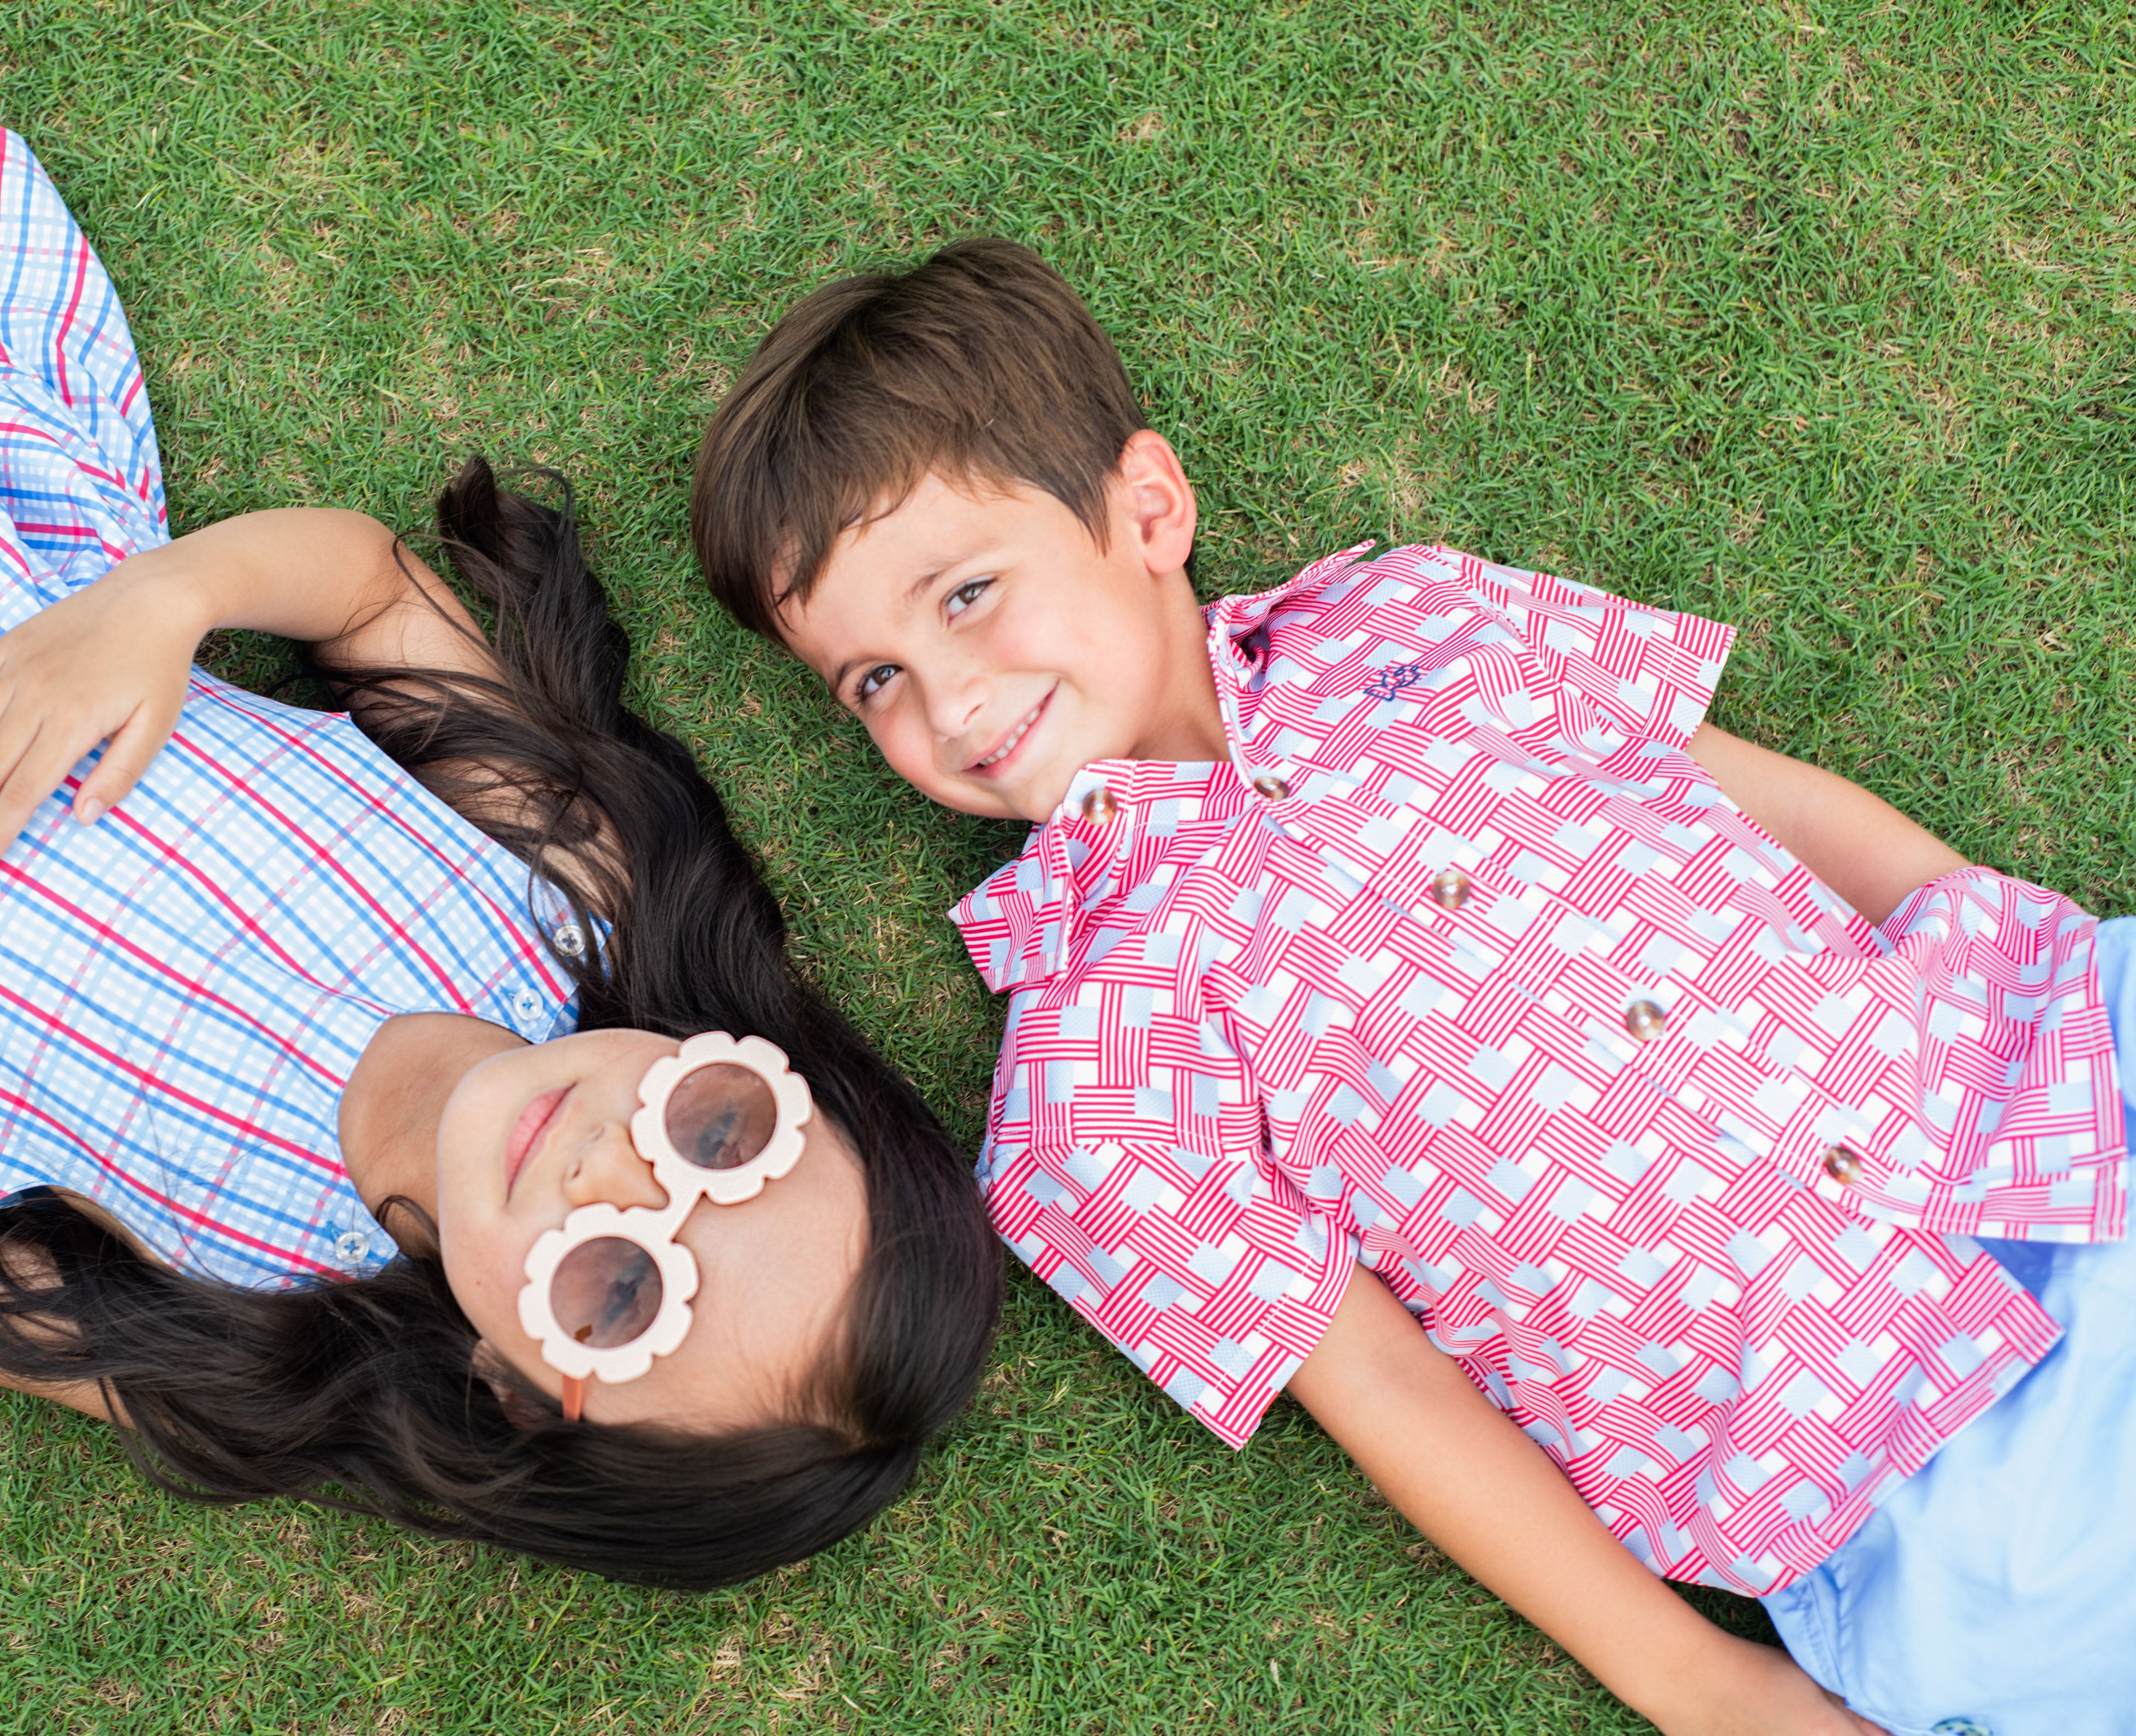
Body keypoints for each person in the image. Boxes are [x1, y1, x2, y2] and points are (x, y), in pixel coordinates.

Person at [0, 117, 1000, 1593]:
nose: (617, 1168)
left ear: (513, 1389)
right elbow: (365, 589)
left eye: (617, 1286)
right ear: (743, 1054)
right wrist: (166, 601)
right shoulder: (568, 890)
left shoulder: (243, 1323)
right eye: (720, 1136)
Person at [688, 237, 2135, 1729]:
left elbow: (1753, 798)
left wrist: (2016, 943)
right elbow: (1383, 1385)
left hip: (2051, 1070)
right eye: (872, 682)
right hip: (1901, 1455)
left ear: (1146, 506)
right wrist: (1703, 1683)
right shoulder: (1088, 1079)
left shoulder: (1418, 617)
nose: (946, 700)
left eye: (968, 593)